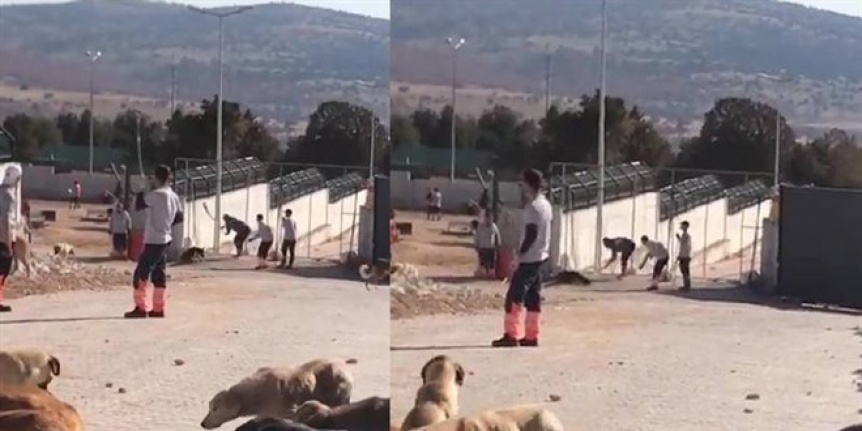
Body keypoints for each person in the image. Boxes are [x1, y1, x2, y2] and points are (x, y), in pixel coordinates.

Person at [492, 169, 552, 348]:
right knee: (533, 297)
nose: (521, 186)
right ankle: (532, 335)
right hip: (541, 255)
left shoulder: (533, 207)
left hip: (530, 257)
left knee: (514, 297)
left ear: (529, 184)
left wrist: (520, 254)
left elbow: (531, 233)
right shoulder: (545, 204)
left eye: (523, 183)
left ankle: (511, 334)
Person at [125, 165, 183, 318]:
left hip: (154, 239)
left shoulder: (156, 195)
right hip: (165, 238)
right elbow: (179, 217)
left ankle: (141, 307)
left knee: (141, 274)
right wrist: (165, 222)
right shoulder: (173, 196)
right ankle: (158, 308)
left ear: (156, 178)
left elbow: (138, 205)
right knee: (159, 274)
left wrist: (142, 189)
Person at [0, 165, 21, 312]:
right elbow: (6, 220)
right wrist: (8, 243)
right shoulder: (8, 195)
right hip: (3, 238)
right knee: (2, 271)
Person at [473, 212, 500, 278]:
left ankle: (490, 273)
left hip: (491, 248)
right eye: (487, 218)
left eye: (490, 219)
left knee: (491, 262)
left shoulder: (493, 226)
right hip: (482, 247)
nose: (488, 220)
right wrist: (476, 245)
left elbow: (497, 236)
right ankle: (483, 272)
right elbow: (477, 237)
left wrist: (498, 244)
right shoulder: (480, 227)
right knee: (483, 262)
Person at [676, 221, 692, 291]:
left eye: (682, 225)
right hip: (683, 255)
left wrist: (683, 255)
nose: (681, 227)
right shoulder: (684, 235)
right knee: (683, 271)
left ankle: (687, 286)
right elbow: (682, 244)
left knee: (685, 271)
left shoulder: (687, 236)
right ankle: (686, 285)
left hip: (685, 256)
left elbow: (686, 246)